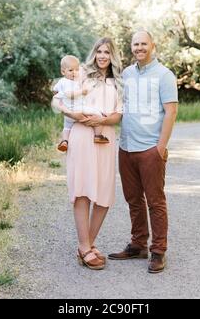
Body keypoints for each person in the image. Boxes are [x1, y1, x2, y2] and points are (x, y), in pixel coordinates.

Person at [108, 29, 178, 274]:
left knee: (156, 202)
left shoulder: (164, 75)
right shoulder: (126, 73)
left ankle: (158, 250)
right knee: (133, 200)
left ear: (153, 46)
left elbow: (171, 111)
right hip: (126, 147)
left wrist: (161, 147)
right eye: (135, 44)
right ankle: (138, 244)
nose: (139, 47)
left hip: (150, 149)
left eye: (143, 44)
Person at [52, 38, 123, 270]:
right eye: (99, 51)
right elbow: (57, 100)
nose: (103, 56)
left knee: (103, 194)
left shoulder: (119, 82)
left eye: (107, 52)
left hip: (105, 137)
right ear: (94, 53)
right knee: (82, 189)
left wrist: (102, 119)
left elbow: (119, 114)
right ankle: (84, 247)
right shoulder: (80, 74)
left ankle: (88, 244)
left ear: (113, 56)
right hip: (82, 136)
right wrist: (73, 115)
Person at [52, 55, 110, 152]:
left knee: (66, 127)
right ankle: (98, 136)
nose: (74, 73)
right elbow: (68, 94)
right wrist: (81, 92)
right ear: (63, 72)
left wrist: (57, 95)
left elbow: (55, 91)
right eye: (71, 70)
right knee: (97, 114)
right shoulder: (68, 83)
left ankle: (65, 141)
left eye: (76, 70)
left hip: (68, 112)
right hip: (78, 108)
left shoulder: (61, 81)